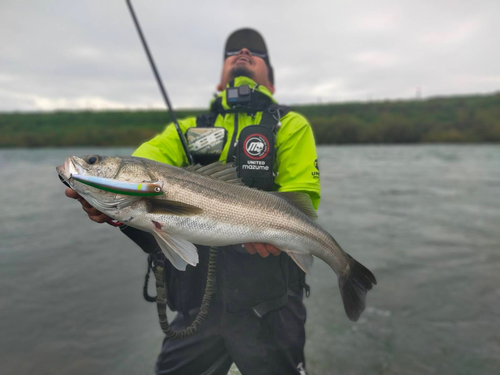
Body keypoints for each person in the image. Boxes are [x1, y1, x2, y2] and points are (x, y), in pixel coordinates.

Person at [66, 28, 320, 375]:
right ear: (220, 76)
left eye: (255, 53)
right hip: (196, 305)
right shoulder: (185, 128)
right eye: (232, 52)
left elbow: (303, 196)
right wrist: (107, 201)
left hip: (269, 307)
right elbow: (143, 163)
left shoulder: (290, 125)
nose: (242, 53)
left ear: (270, 80)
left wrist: (281, 233)